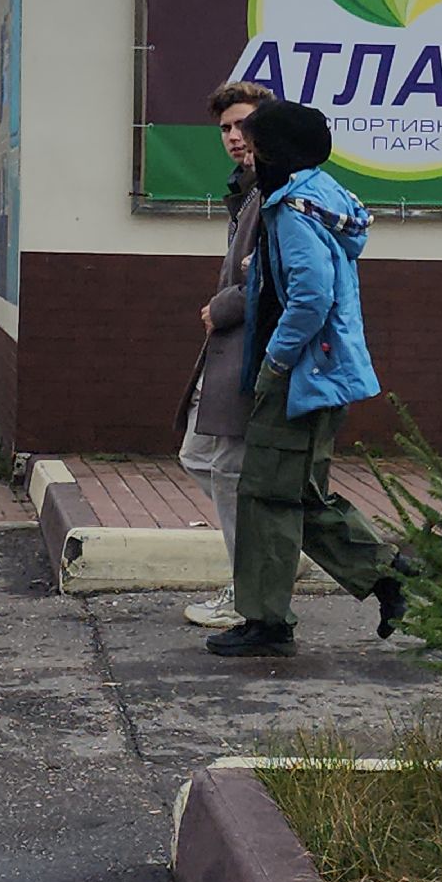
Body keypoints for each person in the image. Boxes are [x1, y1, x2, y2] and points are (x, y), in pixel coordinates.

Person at [205, 100, 406, 658]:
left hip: (300, 374)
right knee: (299, 494)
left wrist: (275, 361)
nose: (248, 154)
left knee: (266, 495)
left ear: (279, 152)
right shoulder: (320, 196)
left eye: (256, 145)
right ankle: (389, 575)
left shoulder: (292, 211)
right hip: (322, 373)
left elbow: (311, 296)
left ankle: (268, 623)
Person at [175, 80, 276, 628]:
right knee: (198, 455)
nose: (235, 137)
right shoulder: (246, 190)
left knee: (233, 474)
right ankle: (268, 555)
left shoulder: (277, 189)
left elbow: (275, 276)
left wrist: (224, 306)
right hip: (228, 353)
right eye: (226, 128)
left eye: (244, 125)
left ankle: (252, 588)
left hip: (256, 354)